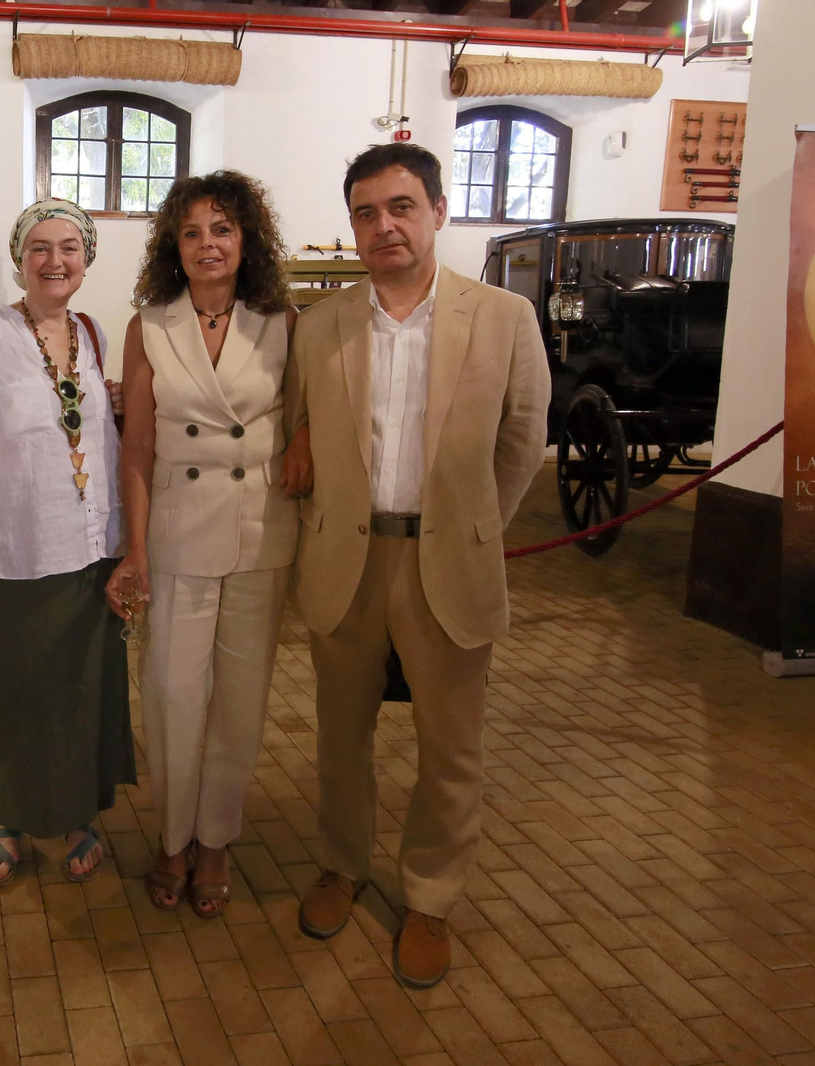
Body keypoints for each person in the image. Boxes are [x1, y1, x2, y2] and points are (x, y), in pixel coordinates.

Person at [286, 143, 549, 989]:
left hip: (447, 564)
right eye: (366, 212)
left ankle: (431, 899)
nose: (384, 225)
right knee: (340, 736)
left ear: (439, 211)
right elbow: (302, 441)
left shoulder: (503, 317)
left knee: (451, 748)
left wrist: (472, 529)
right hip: (348, 563)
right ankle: (340, 864)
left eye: (401, 206)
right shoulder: (320, 325)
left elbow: (522, 439)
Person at [105, 171, 307, 918]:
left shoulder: (283, 322)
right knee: (170, 693)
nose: (207, 244)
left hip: (260, 533)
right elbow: (137, 449)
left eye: (221, 229)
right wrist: (135, 548)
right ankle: (171, 835)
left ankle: (215, 839)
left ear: (246, 239)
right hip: (178, 530)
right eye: (191, 232)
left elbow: (309, 415)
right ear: (173, 246)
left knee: (241, 701)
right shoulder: (149, 326)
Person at [0, 199, 136, 889]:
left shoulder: (91, 332)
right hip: (23, 548)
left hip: (94, 545)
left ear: (87, 258)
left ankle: (81, 810)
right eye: (40, 248)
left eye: (70, 248)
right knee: (22, 693)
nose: (55, 260)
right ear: (20, 259)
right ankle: (12, 817)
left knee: (85, 691)